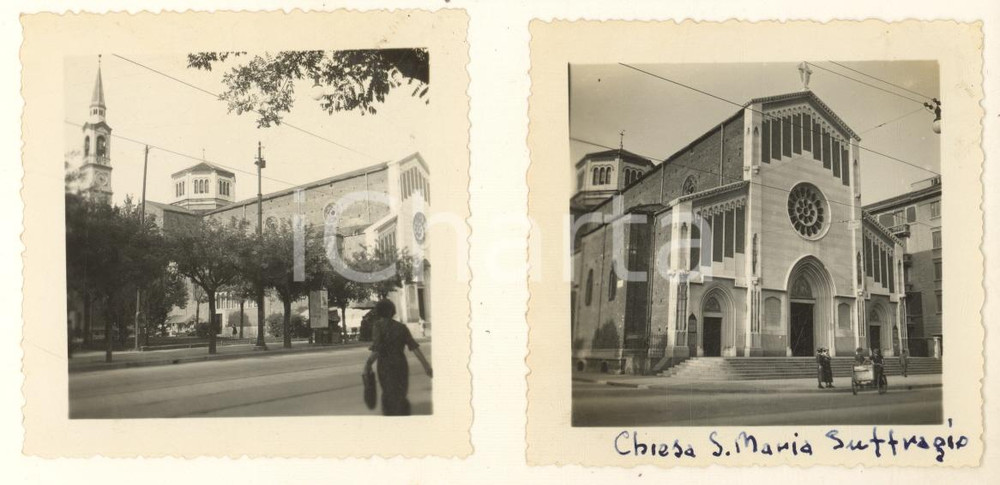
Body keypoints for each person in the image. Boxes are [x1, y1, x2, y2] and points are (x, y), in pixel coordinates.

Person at [364, 299, 433, 416]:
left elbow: (377, 350)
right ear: (392, 311)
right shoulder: (401, 327)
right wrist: (426, 365)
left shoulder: (378, 326)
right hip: (401, 365)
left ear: (379, 311)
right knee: (401, 395)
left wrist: (368, 364)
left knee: (388, 394)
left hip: (385, 366)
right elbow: (414, 347)